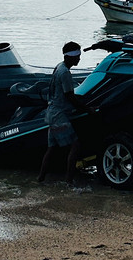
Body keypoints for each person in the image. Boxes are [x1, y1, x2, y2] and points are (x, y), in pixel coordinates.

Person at [37, 41, 92, 184]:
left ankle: (40, 179)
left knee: (51, 149)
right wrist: (87, 109)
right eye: (77, 56)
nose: (79, 59)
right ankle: (69, 181)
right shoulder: (65, 73)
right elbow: (70, 96)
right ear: (70, 57)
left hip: (51, 113)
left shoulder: (58, 67)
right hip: (59, 116)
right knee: (75, 146)